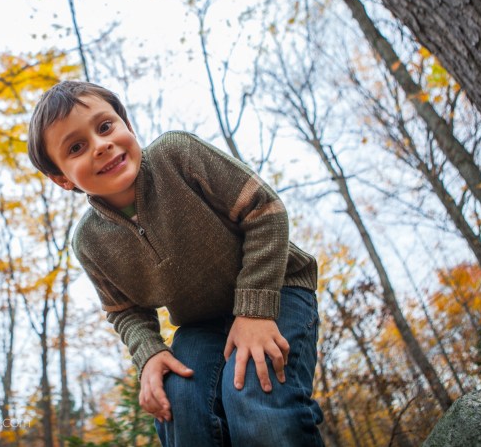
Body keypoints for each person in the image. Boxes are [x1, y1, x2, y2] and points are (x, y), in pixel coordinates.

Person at [27, 80, 324, 446]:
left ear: (127, 125)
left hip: (278, 288)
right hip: (202, 324)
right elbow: (125, 311)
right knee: (179, 402)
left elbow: (264, 210)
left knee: (252, 394)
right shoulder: (89, 241)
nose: (100, 145)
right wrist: (149, 353)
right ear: (61, 179)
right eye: (76, 147)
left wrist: (254, 310)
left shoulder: (177, 155)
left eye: (105, 127)